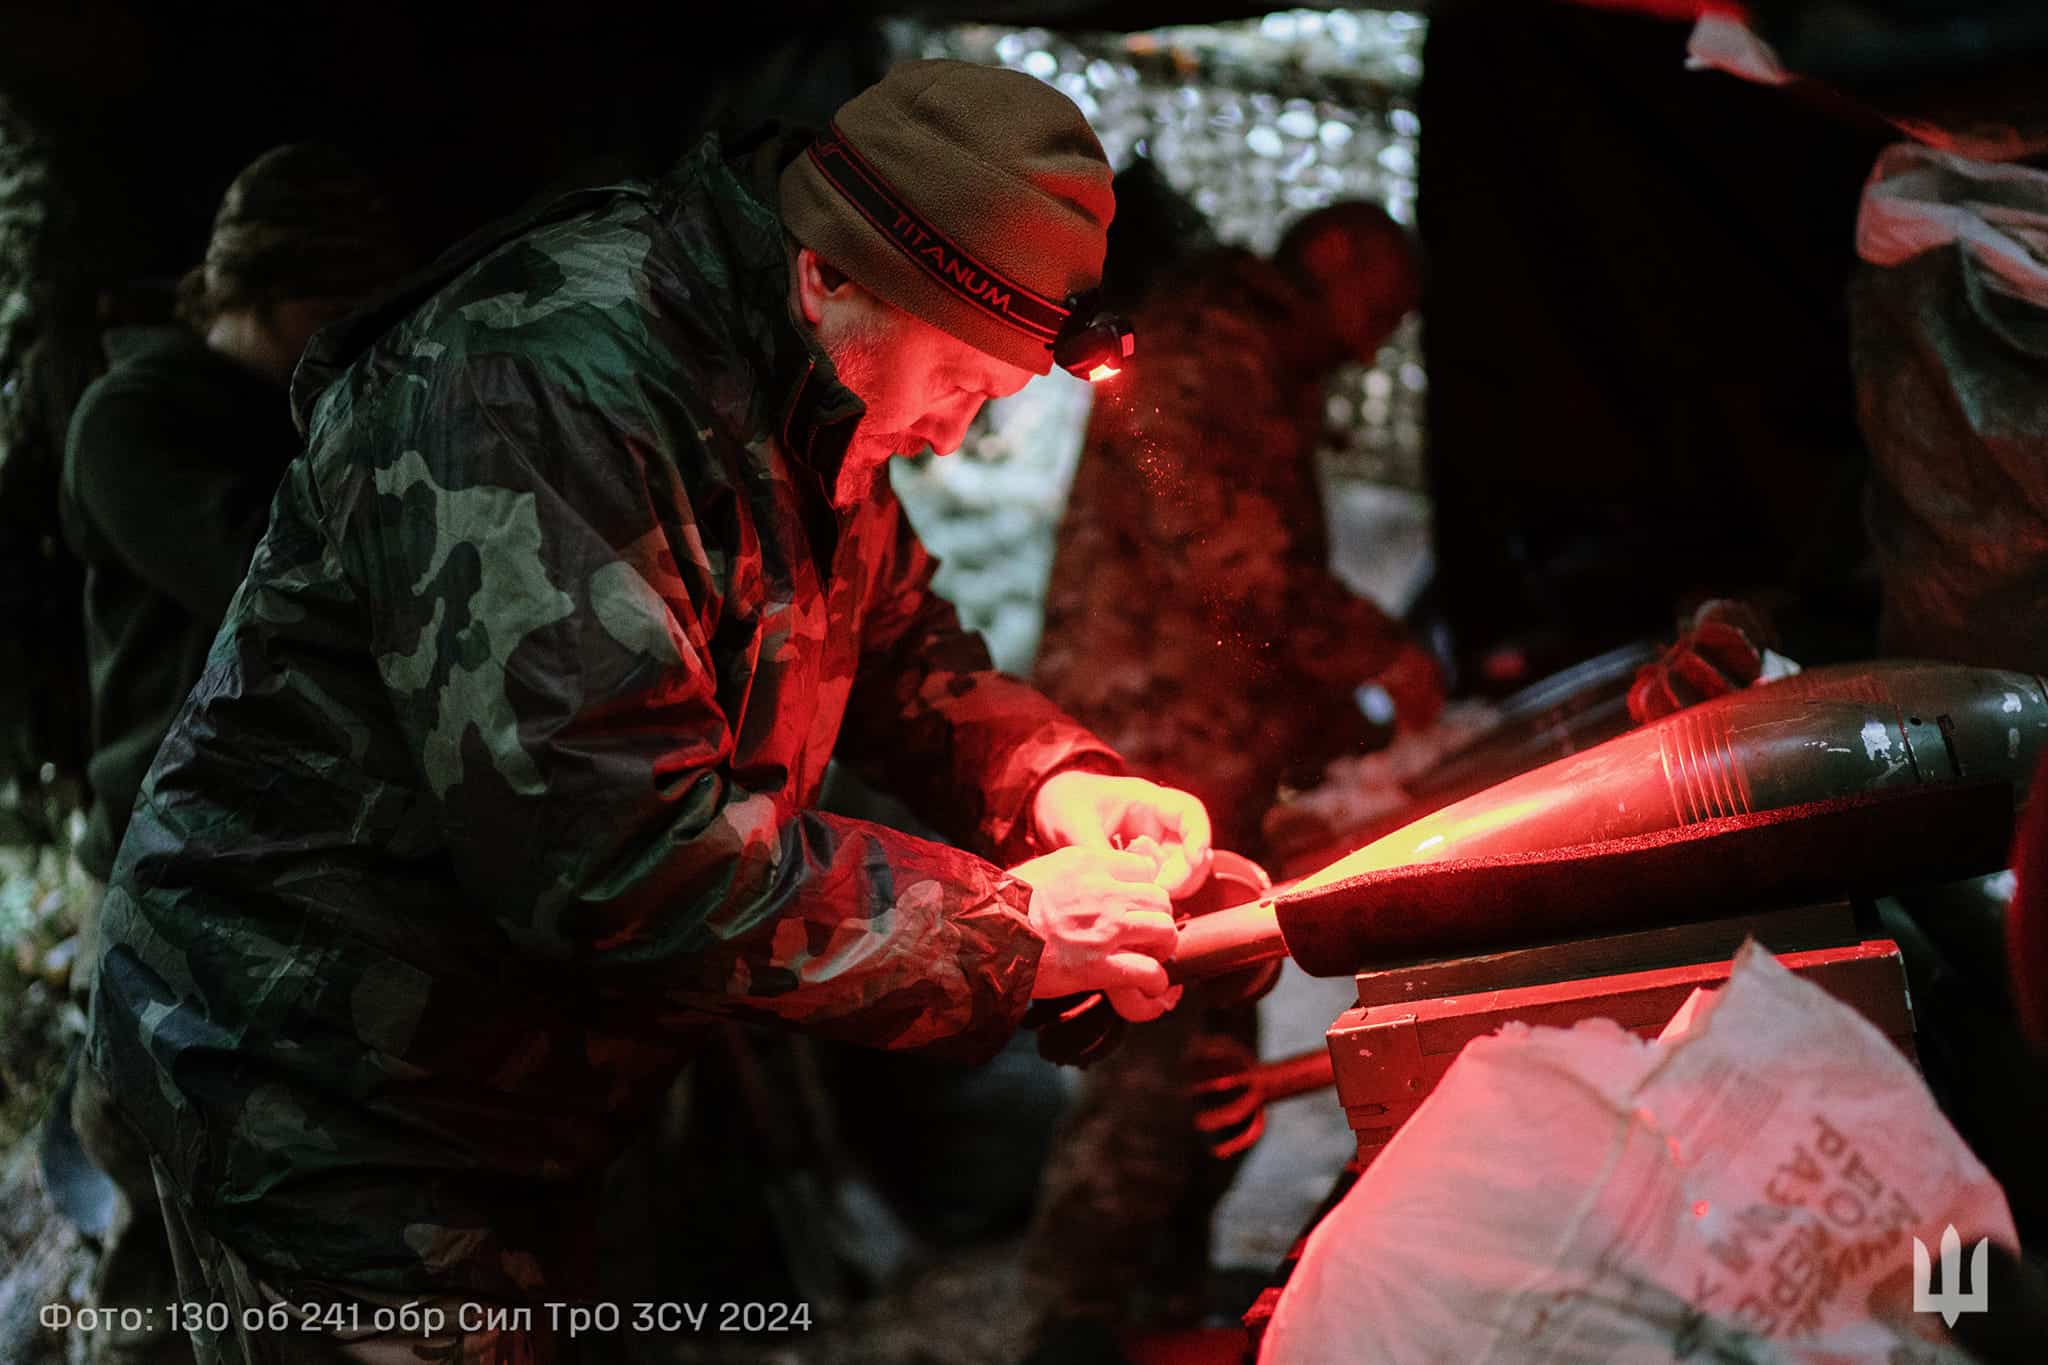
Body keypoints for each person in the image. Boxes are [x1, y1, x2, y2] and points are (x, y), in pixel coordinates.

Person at [85, 60, 1211, 1363]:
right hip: (322, 1077)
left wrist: (1053, 781)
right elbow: (607, 851)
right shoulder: (541, 391)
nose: (952, 438)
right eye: (959, 382)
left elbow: (896, 644)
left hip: (520, 1080)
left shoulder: (803, 384)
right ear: (829, 275)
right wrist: (1013, 926)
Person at [1021, 169, 1441, 1354]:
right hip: (1143, 748)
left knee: (1211, 1059)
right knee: (1151, 1077)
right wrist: (1384, 659)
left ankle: (1162, 1315)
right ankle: (1071, 1330)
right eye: (1385, 309)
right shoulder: (1219, 340)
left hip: (1201, 743)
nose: (1381, 343)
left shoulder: (1257, 348)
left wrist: (1328, 724)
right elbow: (1233, 564)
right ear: (1341, 267)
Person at [54, 142, 416, 1365]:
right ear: (259, 295)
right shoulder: (134, 418)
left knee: (255, 1197)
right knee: (160, 1171)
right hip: (167, 852)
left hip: (275, 857)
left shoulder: (302, 408)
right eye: (326, 306)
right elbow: (259, 585)